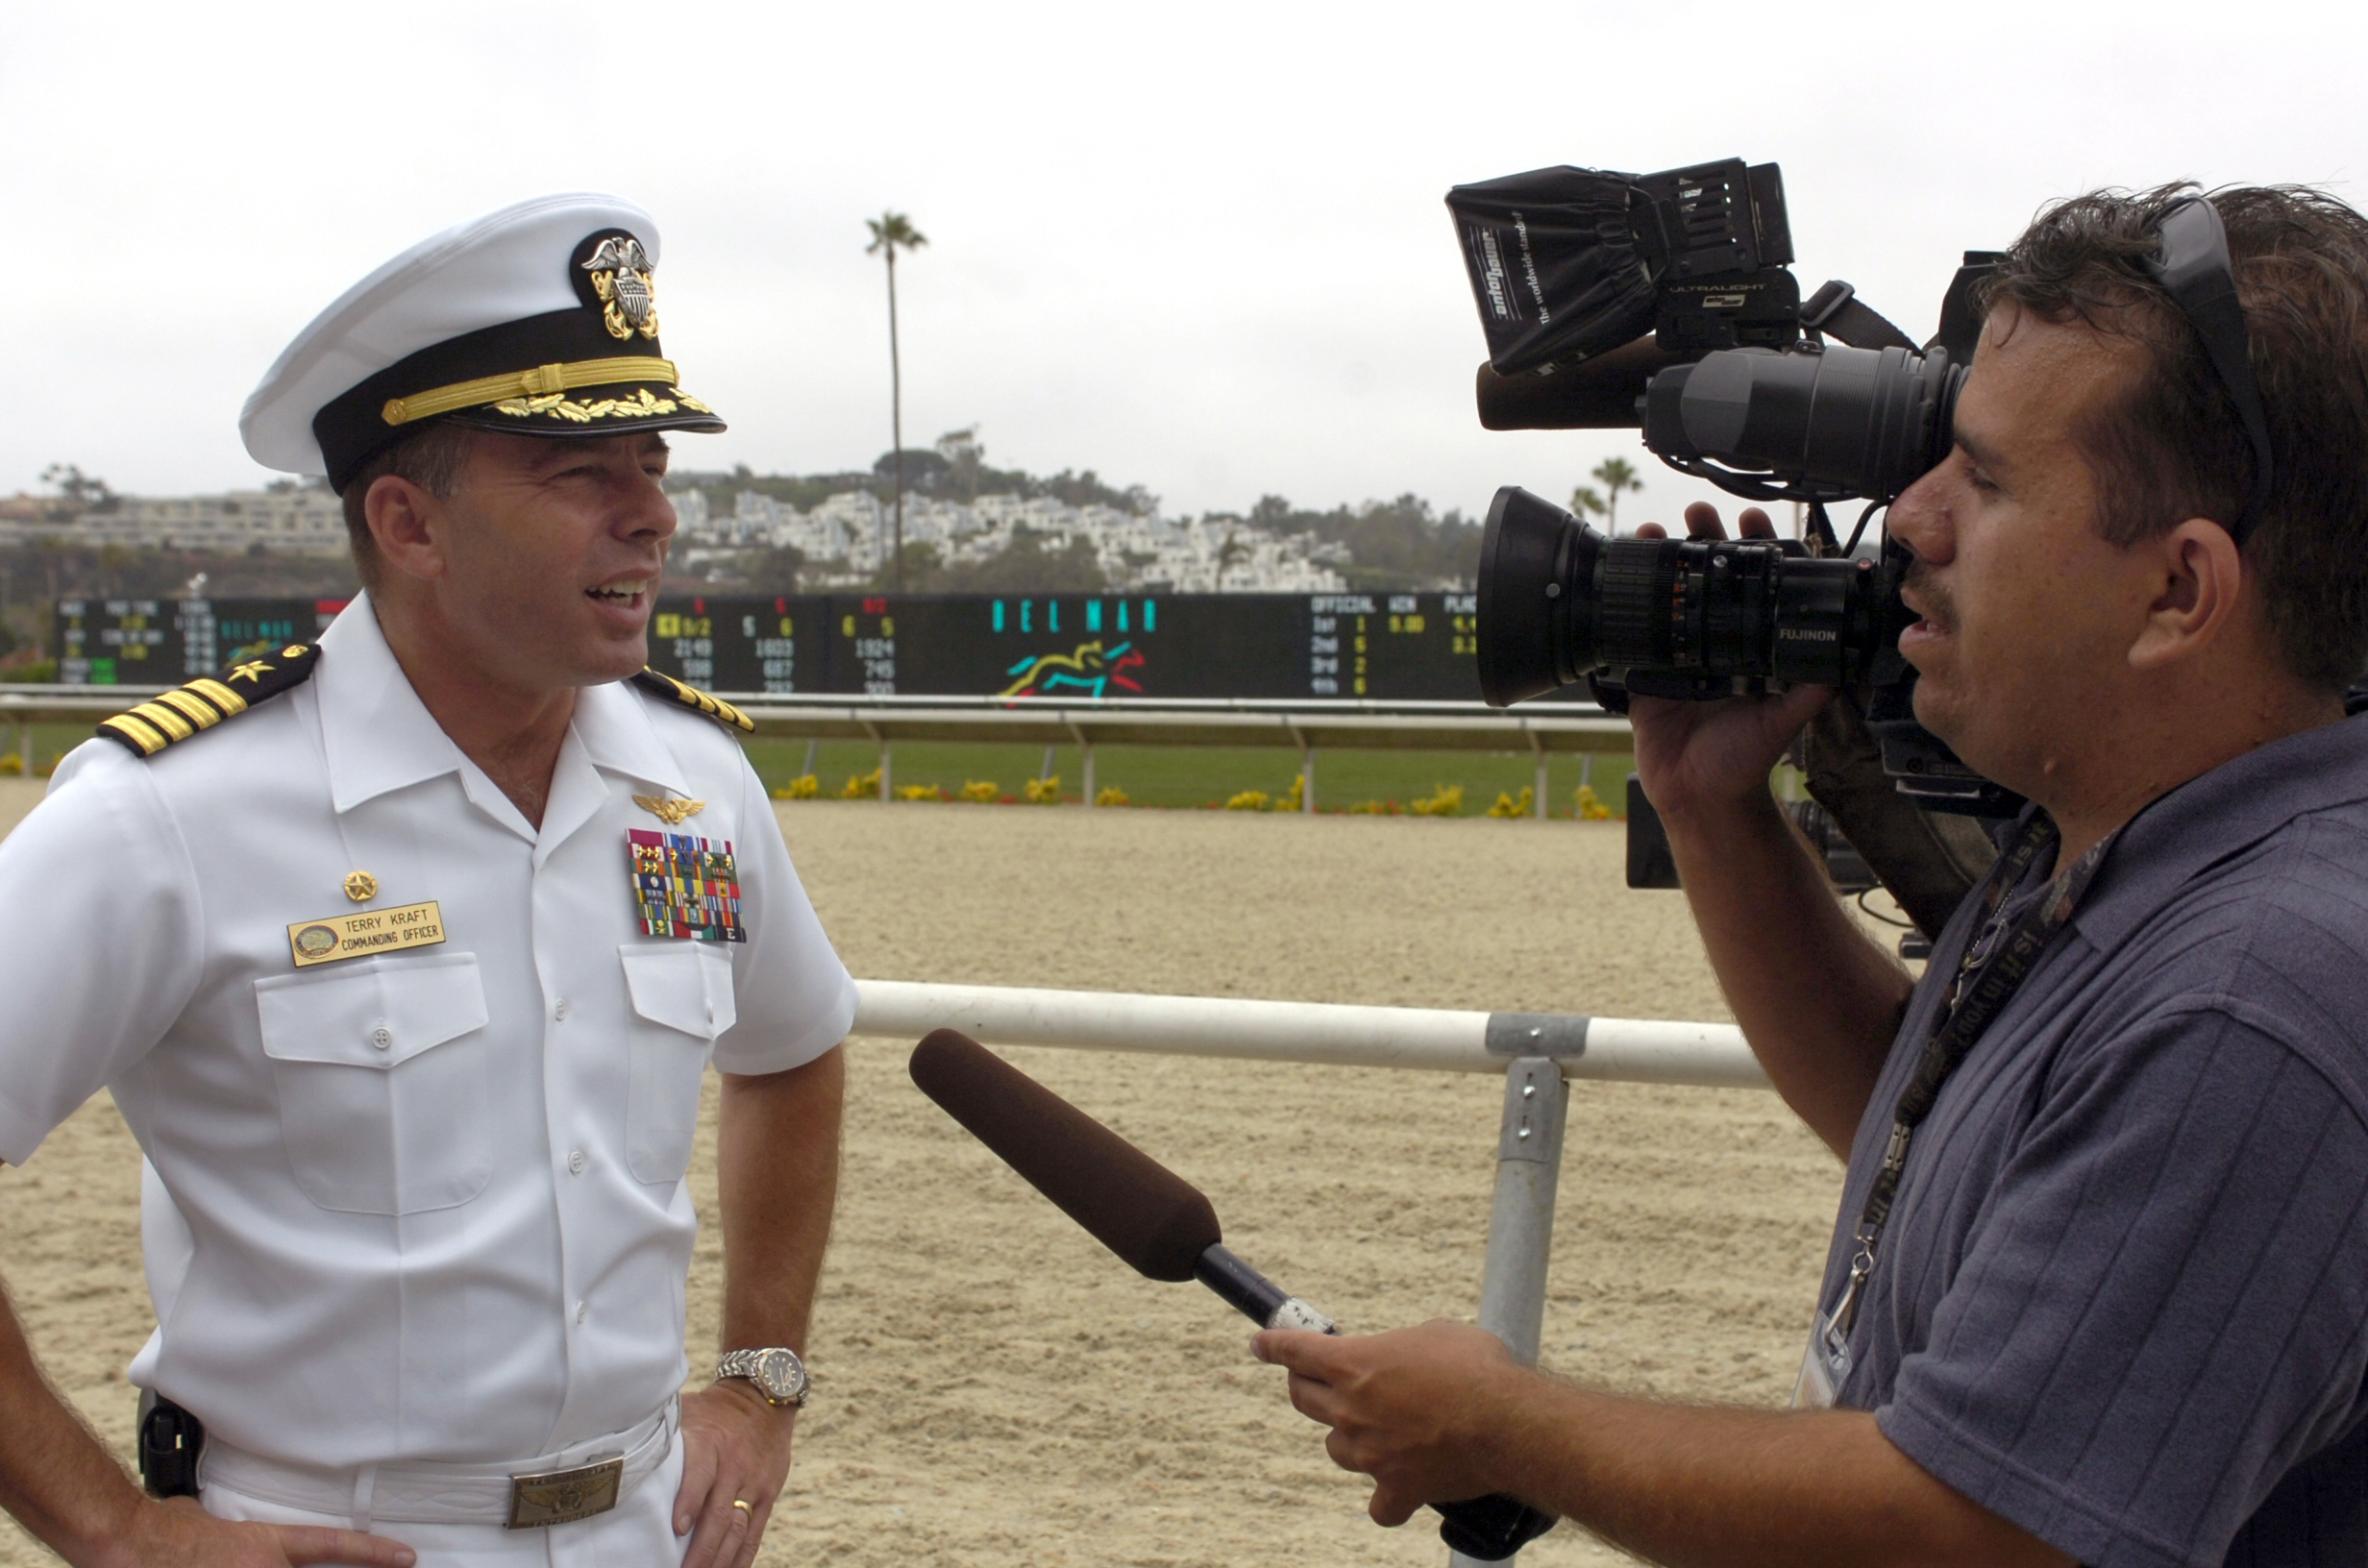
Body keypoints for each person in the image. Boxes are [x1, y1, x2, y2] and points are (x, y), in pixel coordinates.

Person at [1258, 183, 2368, 1567]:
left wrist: (1509, 1427)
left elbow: (1980, 1528)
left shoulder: (2252, 1003)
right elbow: (1946, 1129)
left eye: (1988, 478)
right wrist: (1717, 811)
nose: (1910, 519)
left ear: (2179, 594)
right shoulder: (2133, 841)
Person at [0, 195, 856, 1568]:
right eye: (585, 475)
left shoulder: (694, 790)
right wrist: (106, 1529)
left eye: (652, 464)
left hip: (646, 1531)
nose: (655, 518)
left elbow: (795, 1048)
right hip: (322, 1538)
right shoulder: (171, 813)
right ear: (408, 522)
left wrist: (760, 1381)